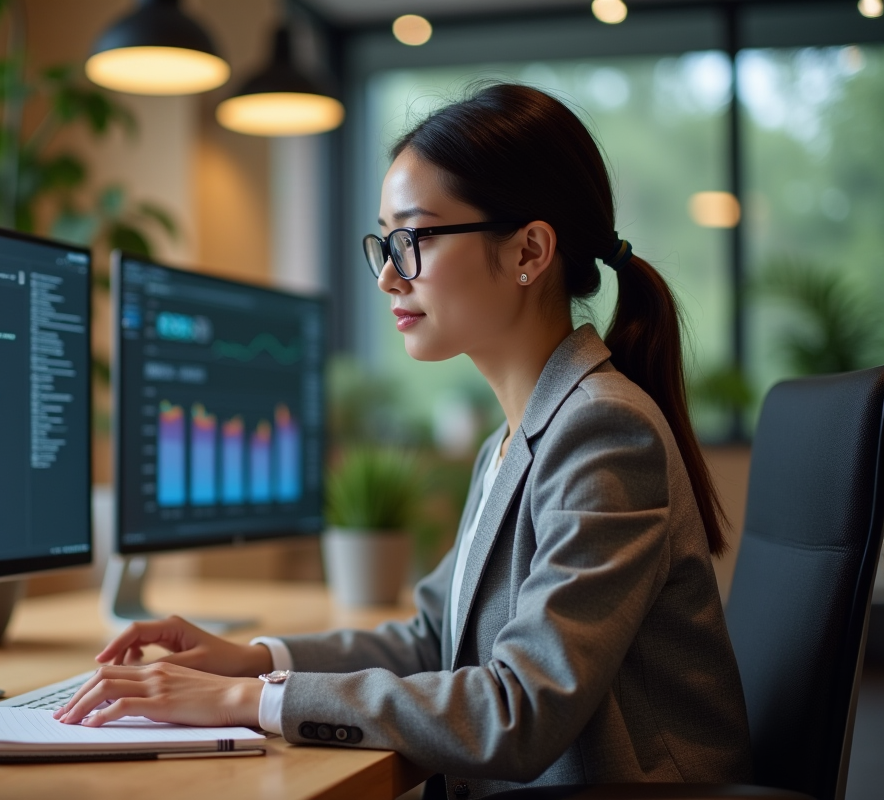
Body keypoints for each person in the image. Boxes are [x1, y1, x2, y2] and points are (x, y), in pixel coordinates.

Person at [54, 83, 753, 797]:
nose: (389, 275)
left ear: (528, 252)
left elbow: (521, 711)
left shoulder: (604, 430)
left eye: (413, 238)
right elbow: (432, 638)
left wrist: (248, 704)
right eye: (384, 242)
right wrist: (252, 660)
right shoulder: (513, 438)